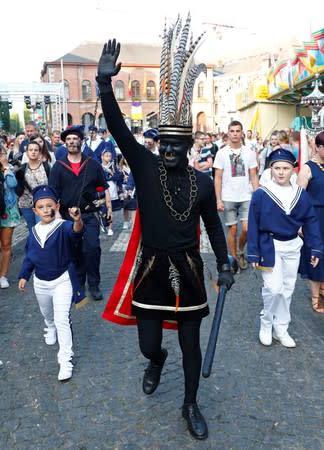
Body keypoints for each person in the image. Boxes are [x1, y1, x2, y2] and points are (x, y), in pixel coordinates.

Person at [97, 26, 234, 440]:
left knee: (191, 344)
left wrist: (225, 261)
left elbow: (211, 224)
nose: (170, 150)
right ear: (158, 144)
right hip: (151, 267)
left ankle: (190, 404)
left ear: (189, 145)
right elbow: (120, 129)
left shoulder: (204, 183)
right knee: (147, 342)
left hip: (189, 270)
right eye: (165, 144)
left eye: (178, 145)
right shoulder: (143, 165)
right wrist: (105, 84)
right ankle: (155, 361)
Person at [247, 149, 323, 348]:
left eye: (286, 168)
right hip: (268, 247)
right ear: (270, 169)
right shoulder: (261, 194)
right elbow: (253, 223)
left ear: (293, 170)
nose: (281, 172)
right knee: (273, 288)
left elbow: (311, 221)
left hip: (292, 246)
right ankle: (266, 322)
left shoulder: (300, 195)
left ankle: (281, 327)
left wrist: (315, 248)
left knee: (288, 288)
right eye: (277, 168)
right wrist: (253, 252)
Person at [18, 185, 86, 381]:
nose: (46, 210)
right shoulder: (33, 231)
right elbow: (30, 257)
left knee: (62, 319)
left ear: (57, 206)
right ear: (35, 211)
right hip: (40, 283)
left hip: (62, 281)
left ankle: (65, 359)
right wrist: (24, 275)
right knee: (47, 313)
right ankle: (49, 325)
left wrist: (77, 220)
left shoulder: (63, 226)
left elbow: (76, 232)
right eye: (41, 207)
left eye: (50, 206)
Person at [49, 125, 108, 301]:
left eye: (75, 139)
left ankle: (94, 283)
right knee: (74, 251)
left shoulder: (93, 164)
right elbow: (53, 194)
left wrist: (108, 210)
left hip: (89, 215)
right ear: (65, 143)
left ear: (81, 142)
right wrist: (57, 215)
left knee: (92, 249)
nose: (72, 142)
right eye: (68, 140)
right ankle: (79, 282)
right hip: (67, 217)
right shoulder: (58, 167)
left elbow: (103, 188)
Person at [214, 120, 259, 270]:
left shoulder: (249, 152)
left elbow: (253, 176)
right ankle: (233, 260)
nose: (234, 134)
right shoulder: (221, 153)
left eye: (237, 131)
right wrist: (218, 199)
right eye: (232, 131)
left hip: (246, 195)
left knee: (247, 228)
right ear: (228, 133)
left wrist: (258, 196)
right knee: (232, 229)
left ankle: (240, 252)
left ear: (242, 133)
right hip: (228, 196)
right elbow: (218, 177)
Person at [297, 131, 324, 313]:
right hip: (314, 218)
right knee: (315, 255)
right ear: (318, 147)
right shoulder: (307, 168)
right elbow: (299, 198)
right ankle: (316, 297)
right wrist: (299, 223)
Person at [15, 141, 51, 232]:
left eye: (36, 150)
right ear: (27, 152)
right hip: (26, 204)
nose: (33, 152)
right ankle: (34, 246)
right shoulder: (22, 169)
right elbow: (18, 189)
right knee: (32, 230)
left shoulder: (46, 166)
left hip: (43, 203)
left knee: (42, 229)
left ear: (39, 152)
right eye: (30, 150)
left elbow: (51, 185)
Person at [0, 145, 21, 288]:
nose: (3, 155)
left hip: (8, 209)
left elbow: (12, 184)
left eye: (2, 153)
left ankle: (3, 276)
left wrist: (6, 168)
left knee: (6, 245)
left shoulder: (9, 169)